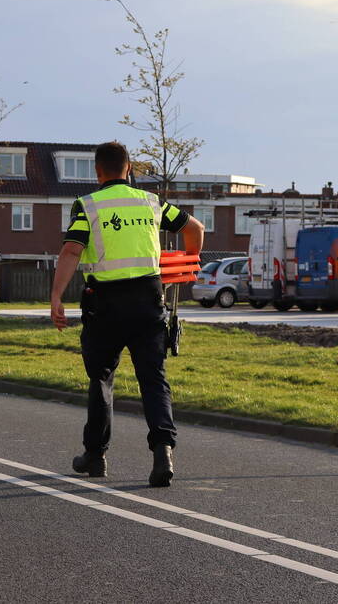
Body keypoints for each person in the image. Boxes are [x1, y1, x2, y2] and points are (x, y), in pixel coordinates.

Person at [50, 141, 204, 487]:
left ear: (97, 171)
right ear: (129, 168)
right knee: (153, 379)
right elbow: (195, 229)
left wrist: (56, 297)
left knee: (101, 378)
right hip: (149, 301)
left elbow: (73, 249)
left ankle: (95, 455)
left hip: (105, 305)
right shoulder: (151, 202)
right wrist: (185, 266)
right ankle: (163, 450)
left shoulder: (88, 205)